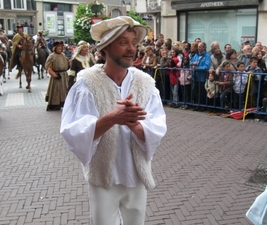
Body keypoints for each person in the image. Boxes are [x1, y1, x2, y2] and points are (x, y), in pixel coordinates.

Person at [60, 16, 167, 225]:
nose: (131, 48)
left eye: (134, 43)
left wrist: (134, 124)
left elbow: (157, 125)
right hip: (103, 178)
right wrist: (112, 118)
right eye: (123, 42)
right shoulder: (87, 84)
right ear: (106, 48)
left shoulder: (145, 84)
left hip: (136, 176)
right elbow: (73, 131)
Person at [44, 41, 70, 111]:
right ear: (55, 48)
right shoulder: (52, 56)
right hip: (57, 76)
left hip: (64, 76)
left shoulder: (63, 55)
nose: (60, 48)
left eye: (61, 47)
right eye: (58, 47)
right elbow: (48, 67)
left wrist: (69, 63)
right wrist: (54, 75)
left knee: (64, 90)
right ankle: (55, 105)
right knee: (56, 91)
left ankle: (63, 103)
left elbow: (67, 64)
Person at [190, 42, 211, 111]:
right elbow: (190, 62)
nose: (198, 48)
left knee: (202, 92)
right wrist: (193, 63)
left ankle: (202, 106)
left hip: (202, 77)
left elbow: (206, 66)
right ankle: (197, 105)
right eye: (198, 46)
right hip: (195, 77)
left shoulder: (207, 56)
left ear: (204, 48)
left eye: (200, 47)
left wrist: (197, 68)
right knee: (195, 92)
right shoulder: (196, 55)